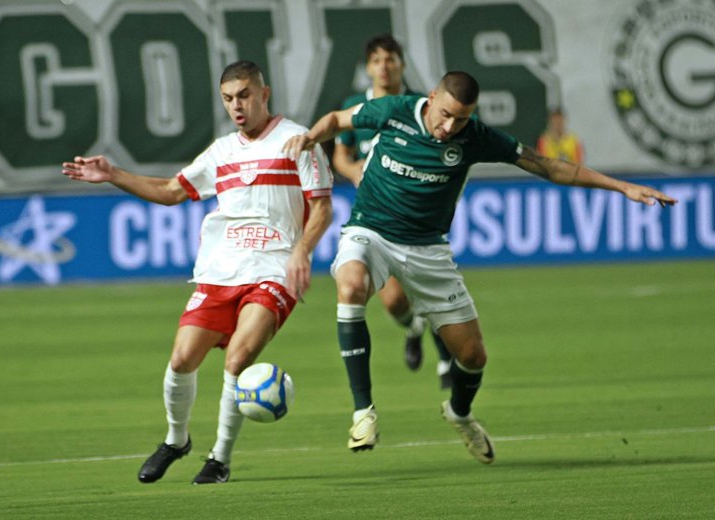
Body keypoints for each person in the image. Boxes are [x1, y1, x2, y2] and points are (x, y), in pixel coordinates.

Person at [283, 71, 676, 461]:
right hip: (371, 231)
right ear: (432, 97)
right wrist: (310, 137)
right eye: (446, 114)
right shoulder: (395, 110)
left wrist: (624, 187)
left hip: (428, 251)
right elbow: (338, 120)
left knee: (473, 357)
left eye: (461, 118)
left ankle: (459, 412)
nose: (450, 126)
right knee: (350, 285)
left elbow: (547, 165)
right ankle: (363, 412)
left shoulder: (474, 137)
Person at [62, 60, 333, 484]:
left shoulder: (297, 142)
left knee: (240, 358)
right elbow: (172, 191)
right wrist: (113, 174)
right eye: (228, 98)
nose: (236, 106)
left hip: (276, 268)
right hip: (221, 270)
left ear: (265, 94)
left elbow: (322, 207)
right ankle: (176, 440)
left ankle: (219, 459)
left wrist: (302, 251)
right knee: (181, 359)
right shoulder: (222, 152)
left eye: (244, 95)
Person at [333, 34, 453, 384]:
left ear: (401, 63)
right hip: (374, 221)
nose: (384, 67)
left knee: (425, 288)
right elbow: (341, 153)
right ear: (368, 67)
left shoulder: (420, 106)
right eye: (377, 61)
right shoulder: (358, 104)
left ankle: (446, 361)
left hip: (415, 216)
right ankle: (413, 328)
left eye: (391, 59)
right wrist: (352, 169)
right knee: (393, 302)